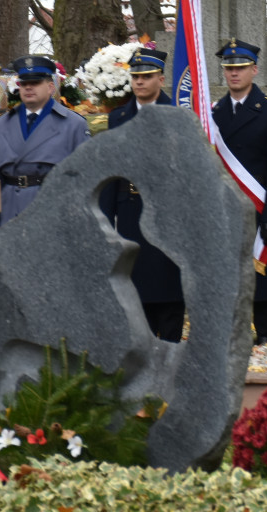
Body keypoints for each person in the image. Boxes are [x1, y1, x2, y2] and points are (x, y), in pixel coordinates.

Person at [211, 39, 267, 344]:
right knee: (229, 280)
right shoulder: (214, 113)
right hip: (224, 211)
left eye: (241, 68)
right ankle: (235, 338)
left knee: (263, 282)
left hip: (259, 209)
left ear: (254, 70)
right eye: (229, 68)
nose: (234, 74)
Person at [101, 48, 186, 342]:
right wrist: (106, 219)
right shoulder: (118, 118)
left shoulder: (178, 115)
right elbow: (111, 171)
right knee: (136, 292)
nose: (139, 82)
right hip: (130, 212)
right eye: (135, 76)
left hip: (168, 215)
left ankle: (171, 352)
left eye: (147, 76)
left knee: (169, 294)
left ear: (161, 79)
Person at [0, 56, 91, 233]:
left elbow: (84, 185)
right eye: (24, 84)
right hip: (11, 217)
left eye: (35, 82)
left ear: (50, 86)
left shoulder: (73, 125)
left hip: (53, 219)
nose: (28, 88)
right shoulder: (2, 126)